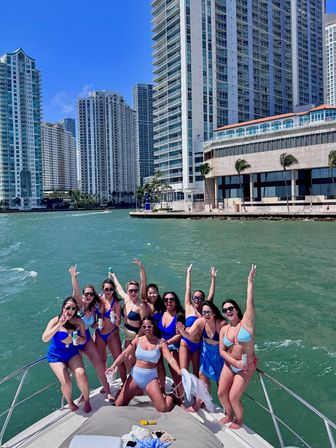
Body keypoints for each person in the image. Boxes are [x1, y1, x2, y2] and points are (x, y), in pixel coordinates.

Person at [106, 316, 182, 412]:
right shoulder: (138, 340)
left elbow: (170, 359)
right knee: (118, 405)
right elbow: (124, 353)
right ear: (142, 327)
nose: (146, 329)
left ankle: (172, 395)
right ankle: (125, 392)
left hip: (150, 378)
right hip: (135, 376)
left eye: (149, 326)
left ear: (153, 327)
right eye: (144, 327)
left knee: (164, 408)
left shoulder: (160, 343)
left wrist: (179, 371)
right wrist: (113, 366)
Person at [69, 266, 119, 399]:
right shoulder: (79, 304)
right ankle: (83, 394)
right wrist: (74, 277)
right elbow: (75, 291)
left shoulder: (93, 308)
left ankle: (108, 391)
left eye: (91, 294)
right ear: (83, 295)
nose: (89, 296)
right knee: (80, 370)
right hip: (74, 340)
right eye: (86, 294)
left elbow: (90, 323)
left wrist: (94, 324)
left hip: (86, 339)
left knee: (99, 363)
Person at [218, 264, 257, 430]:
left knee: (234, 397)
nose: (228, 311)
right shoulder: (224, 329)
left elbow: (250, 302)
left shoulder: (246, 322)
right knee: (221, 394)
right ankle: (229, 414)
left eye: (231, 308)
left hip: (246, 366)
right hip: (230, 363)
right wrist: (233, 363)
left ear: (236, 309)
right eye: (225, 310)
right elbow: (221, 350)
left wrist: (250, 281)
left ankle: (239, 419)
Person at [42, 297, 91, 413]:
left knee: (81, 374)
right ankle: (70, 402)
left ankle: (87, 400)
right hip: (56, 355)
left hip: (72, 353)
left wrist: (80, 339)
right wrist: (59, 325)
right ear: (63, 308)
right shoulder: (55, 321)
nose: (70, 310)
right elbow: (44, 338)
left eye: (73, 308)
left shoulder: (78, 321)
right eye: (68, 307)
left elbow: (84, 339)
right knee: (66, 382)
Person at [176, 301, 225, 411]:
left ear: (214, 313)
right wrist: (181, 330)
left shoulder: (221, 324)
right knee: (202, 377)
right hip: (206, 352)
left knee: (221, 383)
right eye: (204, 312)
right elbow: (188, 335)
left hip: (219, 355)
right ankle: (198, 403)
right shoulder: (200, 322)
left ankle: (227, 409)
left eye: (208, 312)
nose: (206, 315)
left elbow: (229, 341)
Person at [180, 264, 217, 377]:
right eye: (195, 297)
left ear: (203, 299)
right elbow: (188, 288)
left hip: (198, 345)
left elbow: (211, 294)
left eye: (200, 298)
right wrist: (188, 273)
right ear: (192, 299)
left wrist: (213, 278)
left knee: (196, 373)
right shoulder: (189, 307)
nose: (197, 299)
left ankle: (195, 395)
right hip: (186, 342)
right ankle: (183, 394)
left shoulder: (205, 311)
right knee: (184, 373)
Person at [110, 269, 147, 371]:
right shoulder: (126, 299)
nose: (133, 292)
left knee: (131, 358)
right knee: (128, 358)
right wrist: (113, 276)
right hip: (127, 333)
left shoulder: (140, 306)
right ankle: (132, 379)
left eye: (135, 290)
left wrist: (137, 337)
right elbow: (118, 287)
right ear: (128, 291)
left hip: (136, 334)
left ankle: (135, 381)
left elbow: (145, 324)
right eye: (131, 290)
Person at [158, 291, 185, 399]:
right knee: (158, 367)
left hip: (173, 346)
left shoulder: (179, 316)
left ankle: (181, 398)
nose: (168, 301)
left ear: (176, 301)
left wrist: (166, 343)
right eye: (166, 299)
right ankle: (161, 390)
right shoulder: (162, 312)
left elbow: (179, 336)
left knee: (175, 373)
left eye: (171, 299)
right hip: (162, 344)